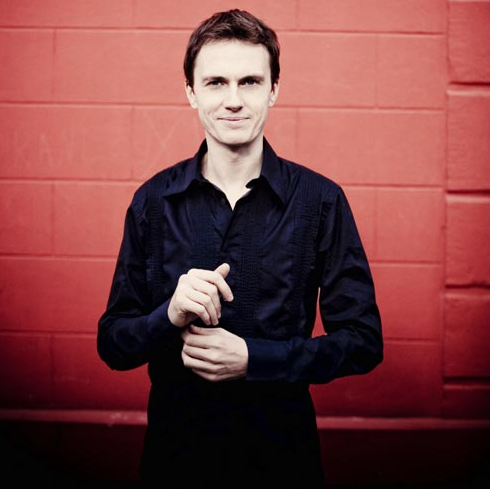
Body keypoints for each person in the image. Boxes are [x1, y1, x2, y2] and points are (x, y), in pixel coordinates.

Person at [97, 9, 383, 488]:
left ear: (274, 90)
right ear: (191, 92)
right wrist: (168, 315)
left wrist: (256, 359)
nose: (233, 101)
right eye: (215, 83)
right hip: (176, 461)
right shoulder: (152, 201)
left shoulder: (321, 201)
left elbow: (363, 342)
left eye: (250, 82)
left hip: (282, 462)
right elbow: (113, 344)